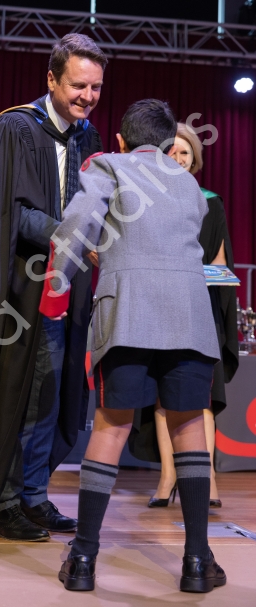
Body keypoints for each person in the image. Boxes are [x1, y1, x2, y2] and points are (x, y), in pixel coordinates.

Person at [39, 99, 226, 593]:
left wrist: (57, 285)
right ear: (168, 144)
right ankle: (196, 561)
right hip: (189, 316)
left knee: (112, 425)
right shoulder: (189, 183)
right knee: (188, 425)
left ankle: (83, 558)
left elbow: (76, 228)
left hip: (127, 314)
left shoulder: (108, 165)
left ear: (121, 140)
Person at [0, 34, 107, 542]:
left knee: (49, 395)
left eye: (96, 87)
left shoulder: (88, 138)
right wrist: (69, 235)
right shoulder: (13, 130)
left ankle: (33, 495)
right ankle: (2, 502)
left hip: (65, 289)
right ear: (51, 79)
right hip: (15, 290)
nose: (88, 97)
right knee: (13, 394)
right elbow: (10, 213)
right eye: (78, 85)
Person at [147, 123, 238, 509]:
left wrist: (189, 273)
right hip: (157, 308)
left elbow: (220, 266)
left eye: (185, 152)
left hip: (199, 309)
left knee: (201, 397)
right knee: (161, 399)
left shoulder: (210, 202)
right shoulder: (147, 201)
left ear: (195, 159)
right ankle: (167, 476)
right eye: (171, 152)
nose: (178, 158)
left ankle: (208, 478)